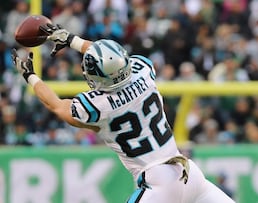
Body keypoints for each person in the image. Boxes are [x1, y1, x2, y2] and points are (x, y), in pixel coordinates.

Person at [11, 24, 234, 203]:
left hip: (158, 184)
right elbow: (112, 57)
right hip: (189, 174)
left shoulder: (98, 106)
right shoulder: (143, 70)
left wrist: (31, 76)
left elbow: (57, 106)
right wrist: (72, 40)